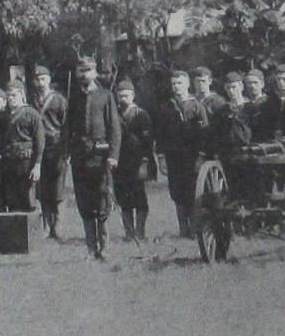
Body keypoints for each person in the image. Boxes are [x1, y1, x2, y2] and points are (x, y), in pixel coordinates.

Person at [66, 58, 122, 260]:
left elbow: (115, 129)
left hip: (101, 157)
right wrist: (67, 153)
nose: (84, 75)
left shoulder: (106, 96)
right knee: (84, 202)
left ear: (95, 72)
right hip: (80, 157)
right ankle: (91, 249)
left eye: (88, 70)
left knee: (103, 201)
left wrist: (113, 156)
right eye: (81, 71)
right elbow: (67, 129)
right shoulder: (73, 98)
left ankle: (105, 247)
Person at [154, 68, 209, 236]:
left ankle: (194, 229)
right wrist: (162, 158)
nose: (176, 87)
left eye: (179, 83)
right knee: (177, 192)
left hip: (192, 157)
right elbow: (160, 135)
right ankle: (183, 229)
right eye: (173, 84)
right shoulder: (166, 108)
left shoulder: (197, 107)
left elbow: (205, 135)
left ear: (187, 85)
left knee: (193, 192)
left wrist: (201, 157)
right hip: (173, 157)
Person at [114, 77, 157, 244]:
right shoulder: (115, 114)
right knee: (123, 198)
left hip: (138, 162)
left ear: (133, 96)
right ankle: (128, 232)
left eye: (126, 95)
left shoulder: (141, 115)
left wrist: (145, 163)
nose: (123, 99)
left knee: (139, 198)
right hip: (120, 163)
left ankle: (140, 232)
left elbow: (148, 142)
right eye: (120, 95)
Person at [32, 65, 69, 239]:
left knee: (58, 189)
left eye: (43, 79)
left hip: (57, 148)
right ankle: (47, 226)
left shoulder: (59, 100)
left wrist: (66, 150)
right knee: (42, 189)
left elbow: (66, 126)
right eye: (37, 79)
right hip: (39, 149)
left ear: (49, 80)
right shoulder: (32, 101)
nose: (40, 83)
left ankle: (58, 226)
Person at [0, 80, 45, 213]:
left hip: (26, 163)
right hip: (9, 163)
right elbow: (0, 141)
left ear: (22, 95)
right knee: (12, 200)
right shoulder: (3, 117)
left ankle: (32, 232)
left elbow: (39, 141)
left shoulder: (32, 114)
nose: (11, 98)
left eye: (14, 95)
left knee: (28, 200)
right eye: (8, 96)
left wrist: (37, 165)